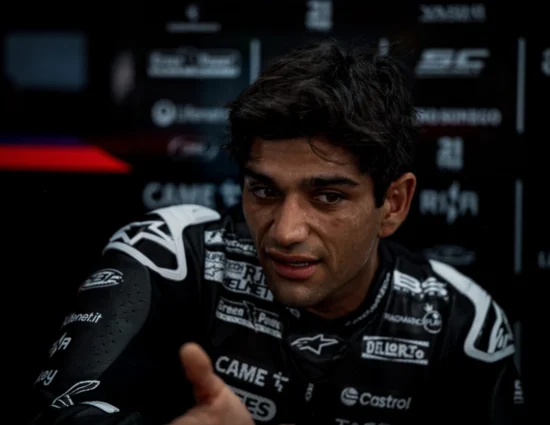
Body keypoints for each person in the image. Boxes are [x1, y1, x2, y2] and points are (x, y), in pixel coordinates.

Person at [29, 39, 526, 425]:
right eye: (264, 191)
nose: (285, 232)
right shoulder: (170, 257)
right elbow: (52, 413)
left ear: (393, 204)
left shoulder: (460, 324)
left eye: (327, 196)